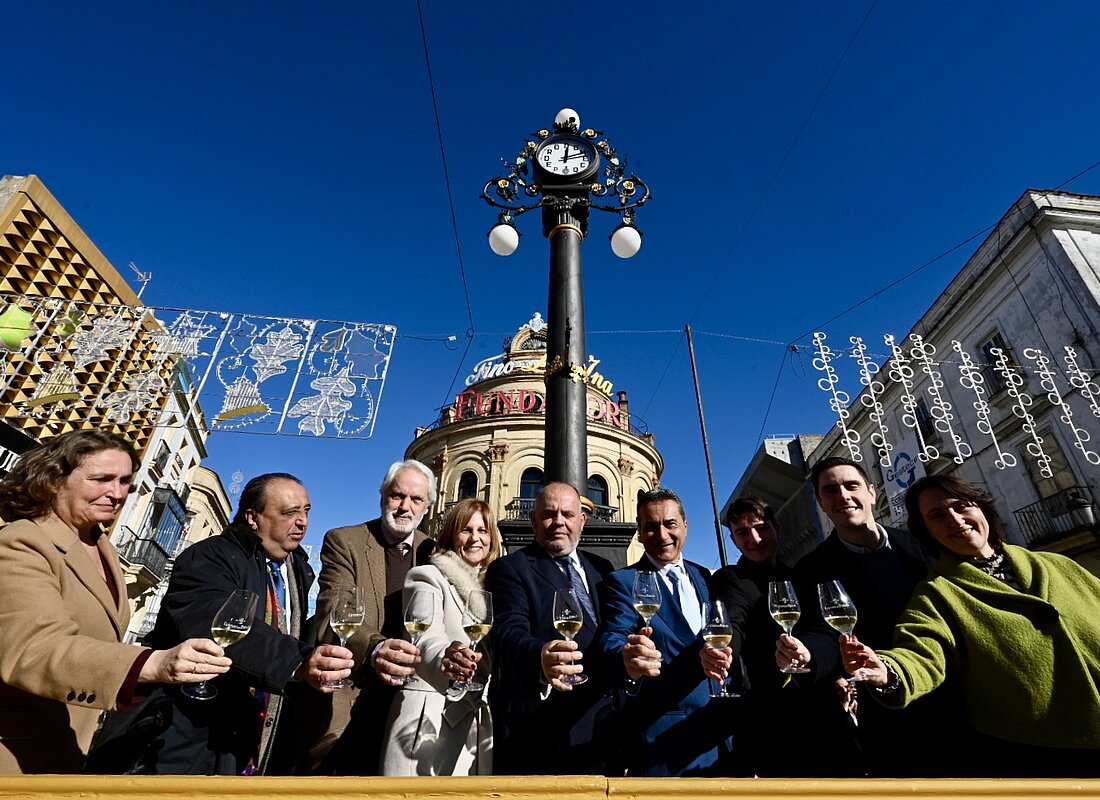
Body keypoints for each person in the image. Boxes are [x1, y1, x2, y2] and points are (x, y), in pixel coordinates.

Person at [0, 430, 230, 774]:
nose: (117, 493)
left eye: (125, 481)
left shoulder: (100, 546)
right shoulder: (22, 542)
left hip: (71, 750)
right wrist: (150, 664)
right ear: (52, 480)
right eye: (101, 479)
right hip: (19, 754)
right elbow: (35, 648)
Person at [841, 474, 1100, 776]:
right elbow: (921, 652)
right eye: (937, 515)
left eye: (962, 506)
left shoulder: (1058, 565)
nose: (955, 519)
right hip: (1040, 751)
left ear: (981, 509)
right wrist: (887, 671)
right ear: (927, 532)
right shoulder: (937, 593)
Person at [146, 472, 353, 774]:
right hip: (192, 733)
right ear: (253, 518)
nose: (302, 522)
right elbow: (217, 623)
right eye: (288, 513)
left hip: (256, 737)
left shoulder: (298, 569)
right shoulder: (209, 557)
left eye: (306, 511)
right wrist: (298, 661)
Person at [776, 456, 968, 776]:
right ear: (822, 503)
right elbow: (823, 634)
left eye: (851, 486)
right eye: (830, 491)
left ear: (872, 492)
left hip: (957, 700)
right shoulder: (812, 570)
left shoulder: (925, 547)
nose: (843, 496)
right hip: (889, 718)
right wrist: (807, 655)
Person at [299, 459, 437, 774]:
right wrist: (375, 648)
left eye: (416, 500)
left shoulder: (433, 551)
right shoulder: (345, 541)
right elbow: (332, 607)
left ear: (427, 507)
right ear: (382, 496)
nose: (405, 507)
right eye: (397, 495)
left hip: (412, 704)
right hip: (355, 695)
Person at [485, 481, 615, 775]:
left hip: (604, 728)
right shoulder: (510, 568)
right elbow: (507, 632)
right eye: (549, 514)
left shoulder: (603, 569)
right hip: (543, 733)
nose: (558, 522)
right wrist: (540, 658)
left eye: (567, 514)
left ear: (582, 520)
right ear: (533, 520)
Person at [599, 488, 729, 776]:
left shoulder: (705, 576)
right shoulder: (623, 582)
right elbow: (613, 637)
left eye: (670, 524)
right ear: (639, 532)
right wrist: (626, 659)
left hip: (722, 737)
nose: (661, 535)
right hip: (666, 743)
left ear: (685, 525)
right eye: (651, 526)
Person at [380, 498, 500, 775]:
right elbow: (423, 633)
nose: (475, 539)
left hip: (476, 727)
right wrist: (446, 656)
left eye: (483, 531)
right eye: (466, 530)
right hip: (426, 721)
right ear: (450, 534)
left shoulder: (493, 587)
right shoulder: (428, 577)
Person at [708, 496, 812, 777]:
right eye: (742, 532)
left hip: (813, 708)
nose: (754, 538)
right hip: (767, 714)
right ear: (732, 540)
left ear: (777, 528)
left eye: (761, 527)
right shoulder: (732, 579)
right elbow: (733, 622)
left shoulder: (799, 576)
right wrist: (725, 647)